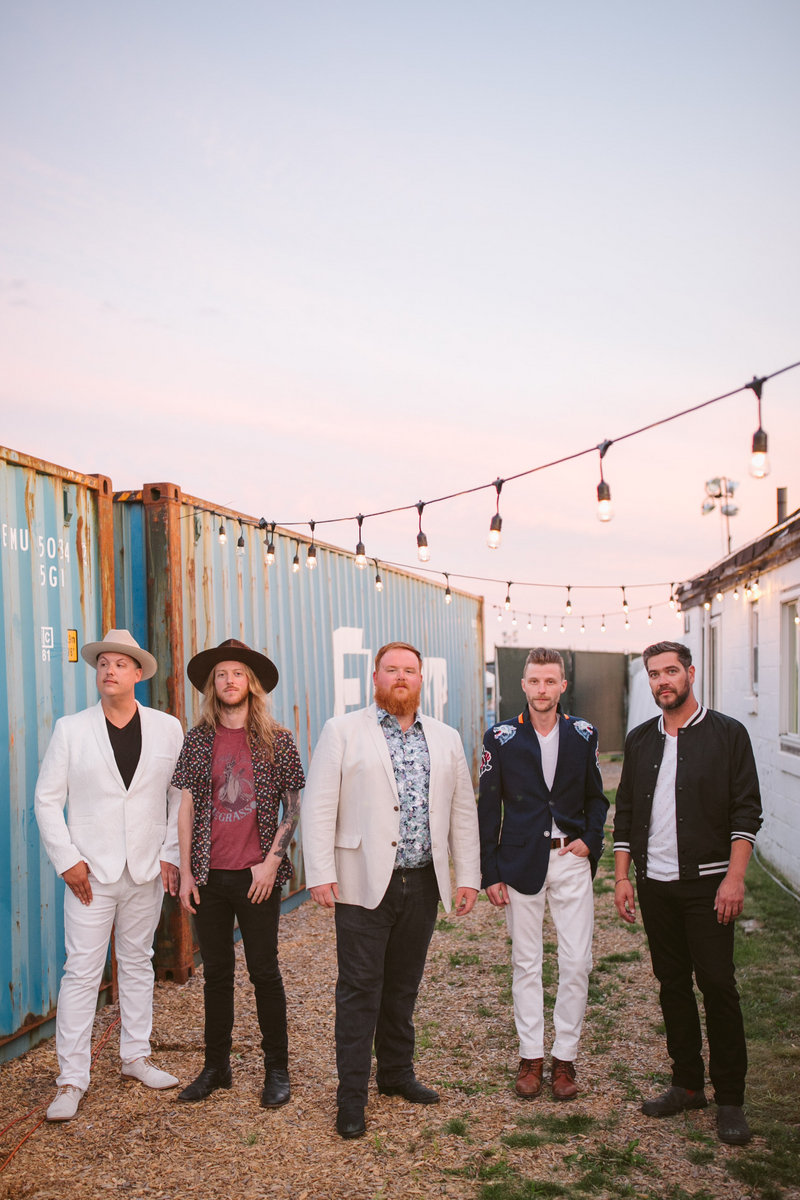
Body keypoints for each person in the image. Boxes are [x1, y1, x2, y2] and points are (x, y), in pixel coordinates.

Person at [301, 641, 480, 1139]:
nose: (401, 677)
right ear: (375, 676)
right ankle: (351, 1097)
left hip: (422, 882)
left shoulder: (445, 737)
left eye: (409, 670)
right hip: (361, 881)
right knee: (360, 989)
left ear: (421, 679)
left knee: (403, 986)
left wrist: (468, 876)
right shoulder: (342, 731)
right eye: (391, 669)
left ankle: (397, 1074)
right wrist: (319, 871)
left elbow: (462, 811)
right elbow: (319, 805)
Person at [613, 641, 762, 1146]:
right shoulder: (640, 740)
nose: (663, 681)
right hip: (656, 884)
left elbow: (746, 811)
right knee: (672, 984)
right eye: (654, 674)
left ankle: (730, 1099)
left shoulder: (728, 734)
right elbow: (627, 812)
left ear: (690, 674)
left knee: (717, 985)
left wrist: (735, 878)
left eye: (671, 671)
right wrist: (622, 877)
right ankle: (687, 1084)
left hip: (710, 885)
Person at [34, 630, 184, 1122]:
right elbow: (47, 801)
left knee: (138, 962)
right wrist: (67, 860)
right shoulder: (71, 730)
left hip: (145, 868)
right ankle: (71, 1080)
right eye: (103, 664)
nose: (109, 671)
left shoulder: (167, 728)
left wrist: (170, 854)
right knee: (81, 972)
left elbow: (177, 798)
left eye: (120, 664)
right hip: (89, 874)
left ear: (138, 673)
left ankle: (135, 1057)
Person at [173, 638, 304, 1108]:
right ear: (214, 685)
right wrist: (186, 872)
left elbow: (293, 804)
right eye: (222, 674)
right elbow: (186, 807)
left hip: (257, 877)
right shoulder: (198, 739)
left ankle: (277, 1070)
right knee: (216, 976)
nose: (230, 681)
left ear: (251, 684)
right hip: (209, 877)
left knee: (264, 972)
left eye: (238, 673)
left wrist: (271, 862)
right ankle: (216, 1067)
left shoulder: (277, 739)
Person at [478, 648, 608, 1102]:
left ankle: (564, 1058)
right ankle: (531, 1056)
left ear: (562, 685)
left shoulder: (583, 734)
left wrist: (590, 840)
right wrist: (489, 871)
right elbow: (488, 807)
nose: (542, 689)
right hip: (519, 862)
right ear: (523, 684)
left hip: (570, 857)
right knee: (526, 962)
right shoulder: (501, 737)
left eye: (550, 681)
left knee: (576, 962)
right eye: (534, 681)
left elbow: (597, 798)